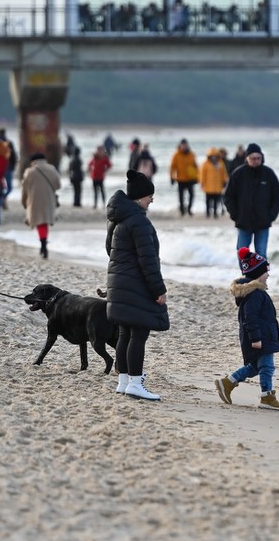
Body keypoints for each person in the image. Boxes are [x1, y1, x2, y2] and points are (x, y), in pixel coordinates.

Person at [105, 170, 169, 401]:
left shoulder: (118, 218)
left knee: (125, 332)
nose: (152, 199)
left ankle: (123, 382)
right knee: (138, 333)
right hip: (135, 284)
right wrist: (158, 289)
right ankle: (134, 382)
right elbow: (148, 259)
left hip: (120, 281)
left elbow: (109, 250)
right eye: (150, 195)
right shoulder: (138, 221)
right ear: (141, 196)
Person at [214, 247, 279, 411]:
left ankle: (228, 382)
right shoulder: (255, 294)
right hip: (259, 338)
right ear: (257, 274)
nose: (268, 274)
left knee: (255, 367)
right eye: (265, 271)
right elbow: (250, 318)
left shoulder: (256, 292)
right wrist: (255, 339)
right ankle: (267, 397)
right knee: (267, 367)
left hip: (263, 337)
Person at [223, 142, 279, 259]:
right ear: (247, 158)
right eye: (253, 158)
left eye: (258, 158)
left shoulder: (268, 173)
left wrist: (271, 215)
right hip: (243, 221)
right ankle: (246, 276)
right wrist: (235, 215)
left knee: (261, 254)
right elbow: (228, 196)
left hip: (263, 222)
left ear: (262, 158)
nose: (255, 160)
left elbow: (277, 195)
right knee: (242, 253)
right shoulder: (238, 174)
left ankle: (260, 278)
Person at [21, 153, 62, 259]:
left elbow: (24, 189)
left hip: (34, 200)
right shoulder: (52, 169)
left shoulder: (29, 172)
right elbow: (58, 185)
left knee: (40, 223)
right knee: (44, 222)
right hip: (49, 199)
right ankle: (44, 244)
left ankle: (43, 245)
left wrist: (24, 201)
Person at [169, 138, 199, 216]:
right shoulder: (176, 155)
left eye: (186, 145)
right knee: (181, 196)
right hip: (180, 179)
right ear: (180, 145)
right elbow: (172, 167)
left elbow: (195, 166)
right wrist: (171, 177)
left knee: (192, 195)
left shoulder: (192, 154)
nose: (185, 147)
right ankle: (182, 210)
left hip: (190, 179)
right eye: (183, 145)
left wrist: (197, 177)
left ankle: (189, 209)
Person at [199, 148, 228, 219]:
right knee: (208, 201)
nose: (214, 157)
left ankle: (215, 213)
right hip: (208, 186)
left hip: (217, 186)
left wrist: (224, 181)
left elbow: (224, 173)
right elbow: (202, 174)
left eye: (215, 155)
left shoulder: (220, 163)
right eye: (212, 156)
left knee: (216, 201)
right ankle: (208, 213)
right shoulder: (205, 164)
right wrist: (202, 182)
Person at [0, 128, 17, 210]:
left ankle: (1, 200)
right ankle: (3, 199)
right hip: (7, 168)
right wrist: (13, 166)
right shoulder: (9, 143)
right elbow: (14, 156)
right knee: (9, 188)